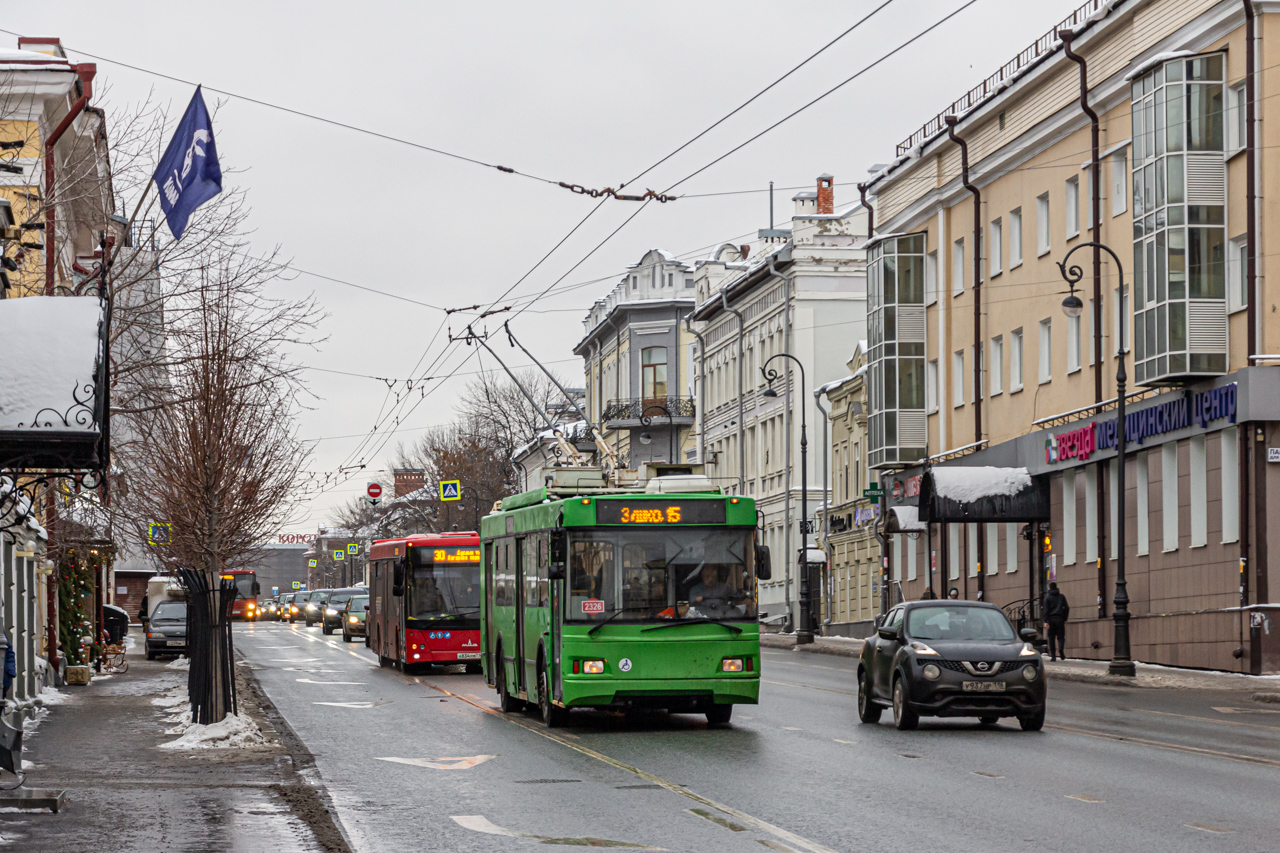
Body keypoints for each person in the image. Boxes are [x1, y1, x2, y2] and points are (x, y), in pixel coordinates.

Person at [1044, 582, 1070, 661]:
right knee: (1061, 636)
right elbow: (1067, 607)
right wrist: (1065, 618)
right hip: (1060, 618)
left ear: (1049, 588)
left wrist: (1045, 621)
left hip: (1051, 619)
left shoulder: (1047, 598)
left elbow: (1046, 610)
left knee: (1051, 638)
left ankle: (1053, 656)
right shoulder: (1061, 597)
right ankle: (1061, 649)